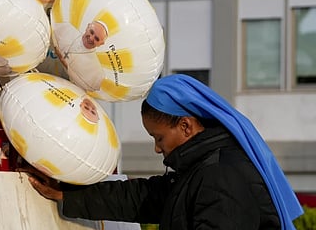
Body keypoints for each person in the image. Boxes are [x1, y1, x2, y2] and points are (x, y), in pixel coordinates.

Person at [22, 74, 303, 229]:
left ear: (185, 126)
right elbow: (142, 198)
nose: (157, 148)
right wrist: (66, 193)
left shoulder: (221, 176)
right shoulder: (201, 169)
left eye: (158, 137)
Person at [52, 21, 108, 91]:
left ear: (101, 44)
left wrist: (66, 65)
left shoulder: (97, 71)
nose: (91, 38)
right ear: (87, 27)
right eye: (91, 32)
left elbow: (83, 88)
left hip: (62, 87)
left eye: (96, 39)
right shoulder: (66, 28)